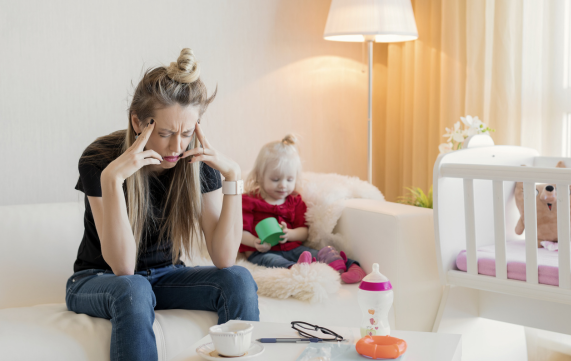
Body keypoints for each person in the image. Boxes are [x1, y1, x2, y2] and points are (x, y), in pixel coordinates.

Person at [66, 48, 258, 361]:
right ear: (138, 122)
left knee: (238, 279)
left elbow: (224, 258)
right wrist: (112, 181)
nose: (177, 146)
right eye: (166, 133)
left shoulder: (196, 162)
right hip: (98, 279)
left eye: (186, 133)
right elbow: (123, 269)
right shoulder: (99, 159)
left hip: (166, 274)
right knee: (134, 289)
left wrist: (233, 178)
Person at [239, 134, 367, 284]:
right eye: (275, 179)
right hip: (263, 251)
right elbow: (240, 232)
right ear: (259, 177)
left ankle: (350, 266)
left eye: (289, 180)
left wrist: (290, 234)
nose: (283, 185)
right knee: (272, 260)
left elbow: (304, 232)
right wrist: (255, 242)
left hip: (293, 248)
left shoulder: (295, 201)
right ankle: (297, 267)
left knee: (317, 253)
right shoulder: (249, 201)